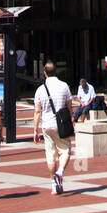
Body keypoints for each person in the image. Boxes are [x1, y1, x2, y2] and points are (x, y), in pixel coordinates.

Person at [33, 60, 74, 196]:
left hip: (46, 125)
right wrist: (72, 119)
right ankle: (60, 171)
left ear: (44, 73)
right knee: (65, 150)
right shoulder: (64, 86)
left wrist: (35, 130)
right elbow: (69, 105)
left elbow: (37, 111)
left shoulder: (40, 90)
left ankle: (53, 185)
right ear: (55, 72)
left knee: (50, 155)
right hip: (61, 123)